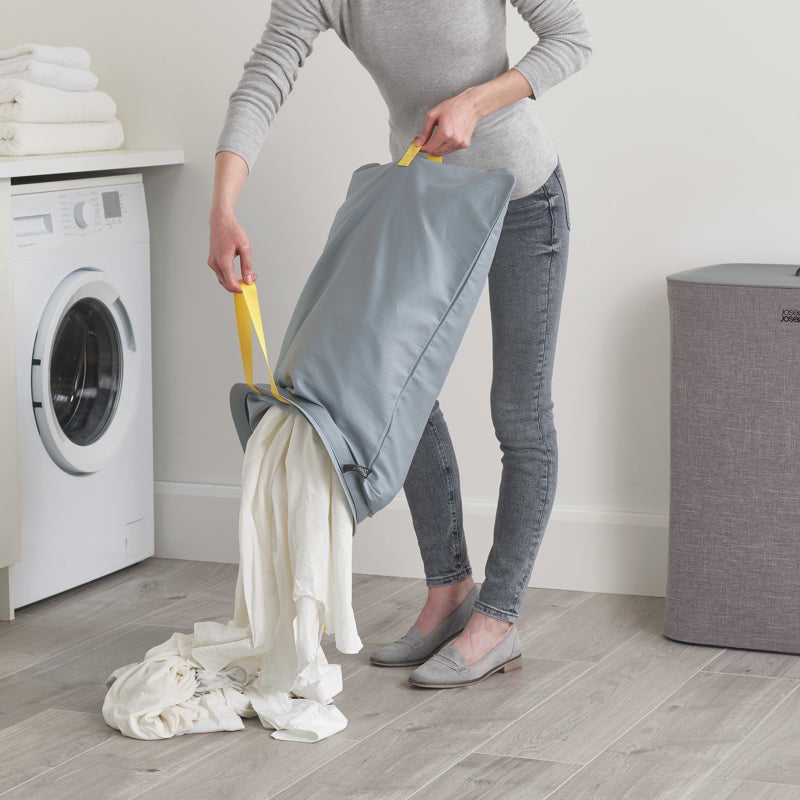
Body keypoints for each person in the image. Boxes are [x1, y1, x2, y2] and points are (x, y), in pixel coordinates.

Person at [208, 0, 593, 689]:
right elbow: (265, 78)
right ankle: (448, 590)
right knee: (392, 392)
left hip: (524, 200)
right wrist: (224, 206)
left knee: (520, 413)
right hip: (428, 201)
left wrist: (478, 99)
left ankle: (497, 618)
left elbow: (572, 37)